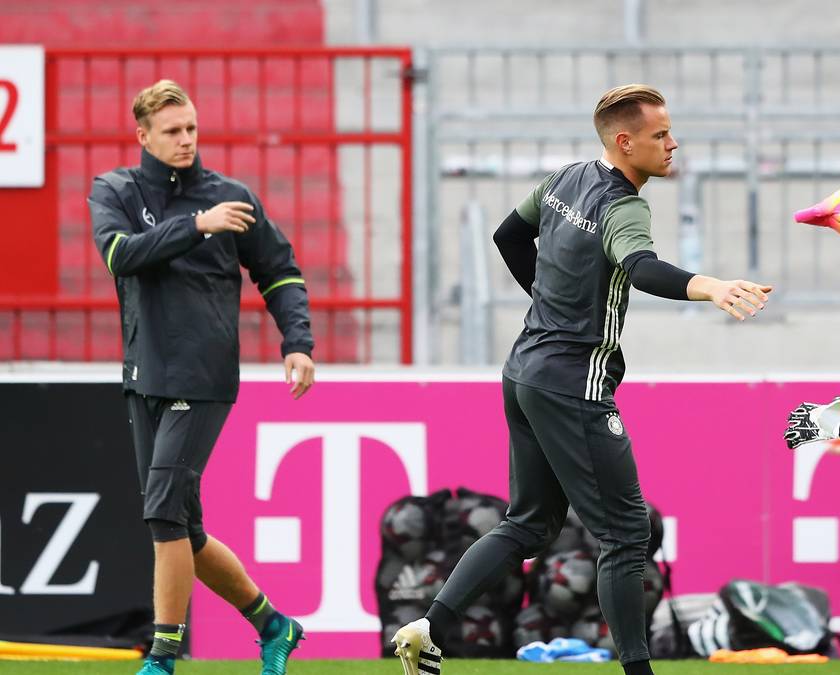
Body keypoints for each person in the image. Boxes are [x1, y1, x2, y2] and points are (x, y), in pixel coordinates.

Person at [390, 84, 772, 675]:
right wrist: (711, 286)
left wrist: (549, 306)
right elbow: (641, 268)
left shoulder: (566, 177)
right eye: (659, 135)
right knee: (625, 534)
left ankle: (428, 626)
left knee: (528, 523)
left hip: (523, 370)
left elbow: (508, 236)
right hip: (574, 381)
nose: (673, 144)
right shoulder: (625, 205)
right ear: (625, 143)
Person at [89, 79, 316, 675]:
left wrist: (297, 342)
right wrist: (197, 226)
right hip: (144, 374)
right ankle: (274, 624)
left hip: (204, 376)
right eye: (172, 131)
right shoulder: (113, 190)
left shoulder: (230, 197)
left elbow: (280, 273)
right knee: (182, 528)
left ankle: (161, 658)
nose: (186, 139)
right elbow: (120, 256)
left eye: (191, 128)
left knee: (163, 510)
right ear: (143, 136)